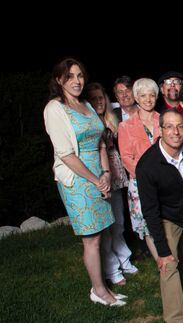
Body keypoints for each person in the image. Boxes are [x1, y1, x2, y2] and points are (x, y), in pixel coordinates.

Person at [44, 58, 122, 307]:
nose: (76, 81)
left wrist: (107, 173)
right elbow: (66, 154)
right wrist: (95, 180)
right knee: (91, 238)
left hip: (98, 174)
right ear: (59, 80)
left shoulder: (86, 104)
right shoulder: (54, 109)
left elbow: (100, 142)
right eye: (70, 76)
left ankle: (102, 286)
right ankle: (99, 291)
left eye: (79, 75)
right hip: (77, 178)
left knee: (102, 233)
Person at [136, 109, 183, 323]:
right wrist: (162, 250)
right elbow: (150, 212)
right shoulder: (147, 166)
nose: (176, 132)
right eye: (169, 127)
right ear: (160, 130)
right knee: (169, 265)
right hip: (164, 217)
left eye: (180, 126)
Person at [86, 82, 137, 285]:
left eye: (101, 98)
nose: (98, 102)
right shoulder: (88, 122)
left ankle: (124, 259)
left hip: (116, 176)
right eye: (93, 99)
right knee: (105, 227)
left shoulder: (110, 118)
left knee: (118, 223)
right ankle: (112, 269)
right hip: (98, 176)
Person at [118, 78, 162, 268]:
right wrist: (147, 177)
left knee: (165, 222)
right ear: (136, 97)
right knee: (148, 226)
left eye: (152, 95)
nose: (148, 99)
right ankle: (161, 263)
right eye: (143, 95)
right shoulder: (126, 126)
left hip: (164, 180)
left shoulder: (164, 119)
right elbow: (126, 158)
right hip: (140, 183)